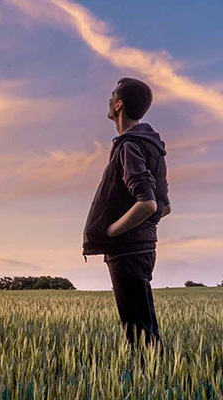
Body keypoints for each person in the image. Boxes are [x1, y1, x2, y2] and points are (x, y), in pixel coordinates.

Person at [82, 77, 171, 352]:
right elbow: (164, 205)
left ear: (119, 104)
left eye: (112, 96)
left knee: (137, 333)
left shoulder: (129, 145)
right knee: (145, 327)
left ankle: (149, 385)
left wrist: (112, 232)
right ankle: (157, 378)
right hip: (143, 247)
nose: (108, 100)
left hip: (127, 250)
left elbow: (148, 204)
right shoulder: (152, 146)